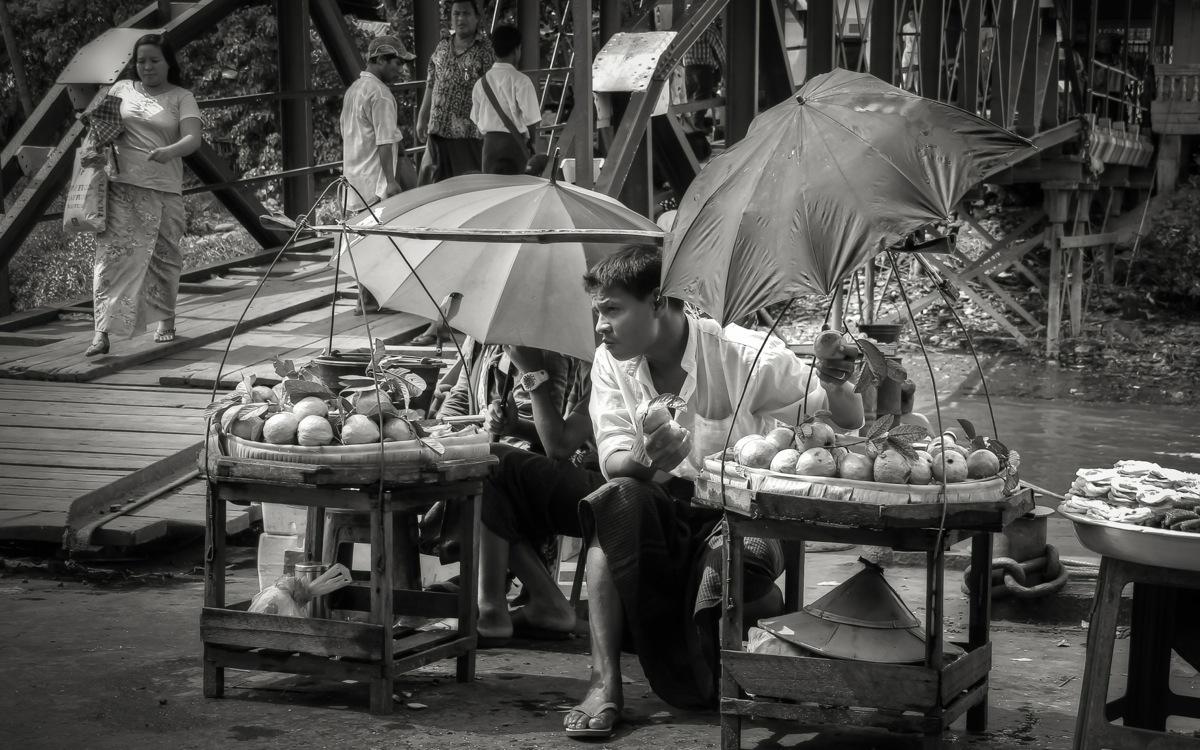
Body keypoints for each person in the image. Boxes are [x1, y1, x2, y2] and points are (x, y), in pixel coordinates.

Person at [562, 245, 864, 739]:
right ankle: (603, 681)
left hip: (747, 516)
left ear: (659, 301)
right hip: (664, 506)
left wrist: (835, 381)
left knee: (721, 576)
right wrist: (649, 459)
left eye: (613, 310)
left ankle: (725, 644)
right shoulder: (610, 362)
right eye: (598, 312)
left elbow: (843, 423)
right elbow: (615, 461)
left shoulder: (743, 352)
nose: (601, 325)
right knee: (613, 509)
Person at [85, 34, 202, 358]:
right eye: (141, 61)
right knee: (112, 259)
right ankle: (101, 332)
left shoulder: (181, 97)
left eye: (154, 60)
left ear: (168, 63)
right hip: (122, 187)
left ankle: (165, 319)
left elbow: (193, 138)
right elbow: (99, 128)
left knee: (164, 258)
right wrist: (94, 149)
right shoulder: (121, 90)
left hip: (164, 190)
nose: (147, 66)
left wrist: (170, 150)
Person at [475, 347, 602, 645]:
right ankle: (545, 604)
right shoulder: (593, 361)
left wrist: (534, 376)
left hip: (615, 487)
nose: (602, 324)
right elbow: (565, 436)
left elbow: (560, 447)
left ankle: (492, 608)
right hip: (587, 472)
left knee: (491, 463)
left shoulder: (618, 360)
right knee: (492, 471)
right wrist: (515, 426)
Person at [415, 0, 494, 184]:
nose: (460, 18)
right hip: (437, 130)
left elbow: (492, 91)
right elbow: (431, 82)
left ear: (477, 18)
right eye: (456, 14)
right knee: (430, 186)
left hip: (467, 134)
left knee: (465, 188)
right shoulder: (442, 47)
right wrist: (422, 117)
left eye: (466, 13)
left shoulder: (485, 50)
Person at [340, 34, 414, 212]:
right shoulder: (381, 94)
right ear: (381, 60)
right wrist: (391, 181)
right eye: (398, 63)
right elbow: (384, 141)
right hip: (375, 188)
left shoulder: (353, 90)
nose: (401, 70)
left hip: (355, 187)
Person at [470, 25, 541, 175]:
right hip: (515, 146)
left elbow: (476, 120)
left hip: (489, 148)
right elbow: (532, 120)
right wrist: (531, 144)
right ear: (517, 50)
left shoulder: (480, 84)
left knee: (493, 193)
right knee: (518, 192)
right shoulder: (522, 81)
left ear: (494, 50)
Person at [682, 19, 725, 135]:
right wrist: (725, 74)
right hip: (704, 69)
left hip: (688, 69)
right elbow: (721, 53)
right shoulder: (709, 29)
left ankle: (688, 126)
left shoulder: (687, 29)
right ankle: (697, 125)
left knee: (688, 98)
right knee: (703, 98)